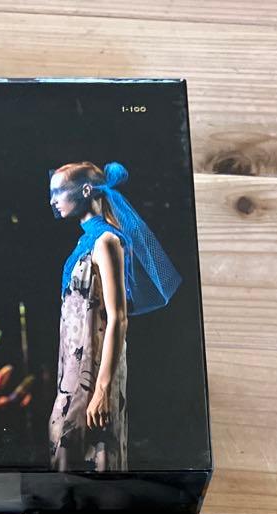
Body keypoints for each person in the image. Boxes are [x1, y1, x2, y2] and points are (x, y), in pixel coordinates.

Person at [47, 160, 181, 472]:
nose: (52, 201)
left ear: (85, 191)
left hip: (94, 371)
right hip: (73, 367)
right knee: (64, 448)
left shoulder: (107, 241)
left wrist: (102, 390)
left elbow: (119, 318)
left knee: (94, 452)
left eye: (58, 192)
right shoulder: (85, 241)